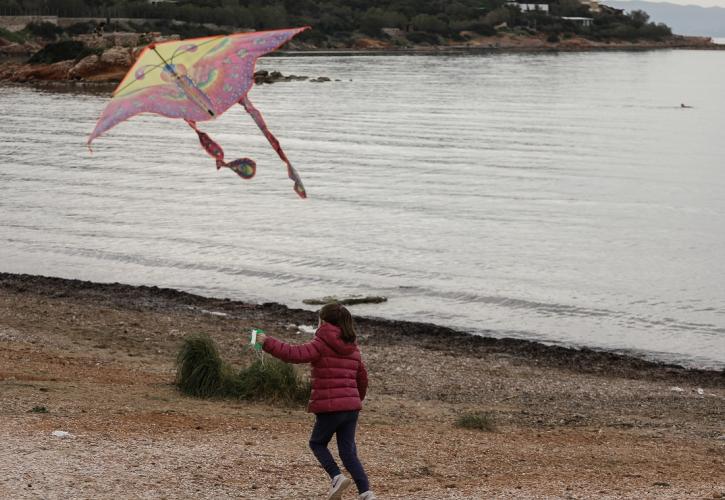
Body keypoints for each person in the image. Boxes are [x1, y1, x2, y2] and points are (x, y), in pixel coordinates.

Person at [256, 303, 376, 500]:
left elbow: (294, 354)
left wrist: (267, 342)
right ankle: (366, 493)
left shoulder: (321, 343)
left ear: (323, 321)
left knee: (317, 443)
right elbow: (362, 378)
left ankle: (337, 477)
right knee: (348, 452)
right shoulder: (353, 348)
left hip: (331, 408)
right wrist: (354, 401)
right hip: (351, 408)